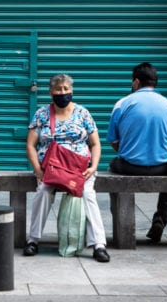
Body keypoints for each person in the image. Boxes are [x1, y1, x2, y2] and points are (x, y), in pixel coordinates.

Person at [23, 73, 110, 263]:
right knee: (43, 192)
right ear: (51, 92)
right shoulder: (42, 114)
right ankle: (33, 240)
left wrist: (93, 167)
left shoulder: (83, 113)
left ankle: (99, 245)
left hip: (79, 170)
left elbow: (95, 144)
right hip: (50, 169)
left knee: (88, 194)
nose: (63, 93)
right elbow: (30, 144)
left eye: (66, 89)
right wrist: (38, 169)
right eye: (58, 89)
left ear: (71, 91)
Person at [106, 62, 167, 243]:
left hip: (129, 167)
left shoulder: (122, 104)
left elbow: (113, 140)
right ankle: (160, 216)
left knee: (112, 165)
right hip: (162, 167)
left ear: (136, 82)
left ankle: (121, 217)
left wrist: (129, 154)